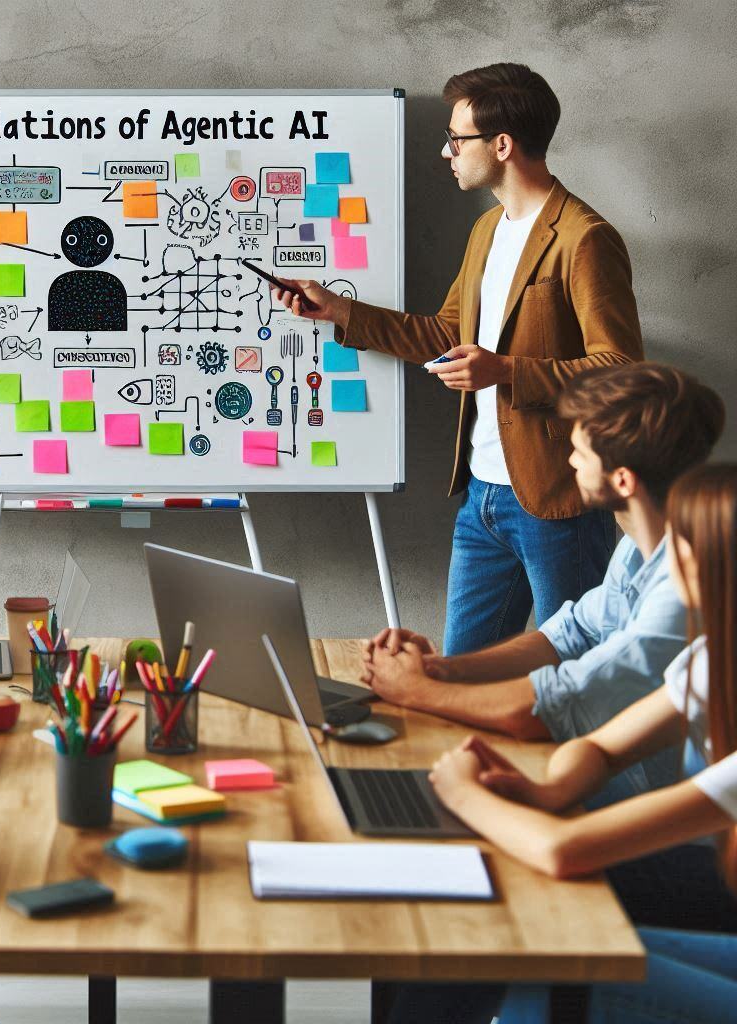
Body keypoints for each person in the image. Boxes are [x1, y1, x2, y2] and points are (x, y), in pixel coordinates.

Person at [274, 62, 643, 655]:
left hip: (558, 500)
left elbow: (622, 370)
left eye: (456, 138)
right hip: (483, 497)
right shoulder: (487, 231)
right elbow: (446, 333)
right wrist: (341, 311)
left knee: (571, 678)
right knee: (458, 677)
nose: (447, 152)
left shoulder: (584, 237)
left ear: (501, 144)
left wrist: (505, 372)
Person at [404, 463, 737, 1023]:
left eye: (677, 550)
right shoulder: (712, 661)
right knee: (499, 924)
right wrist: (545, 791)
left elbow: (566, 851)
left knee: (543, 955)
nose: (663, 565)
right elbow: (605, 748)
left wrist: (463, 793)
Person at [361, 364, 724, 807]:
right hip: (604, 774)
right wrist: (441, 670)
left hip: (660, 809)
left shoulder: (688, 587)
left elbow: (558, 704)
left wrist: (417, 691)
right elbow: (571, 634)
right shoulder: (640, 546)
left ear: (623, 480)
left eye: (580, 453)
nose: (568, 461)